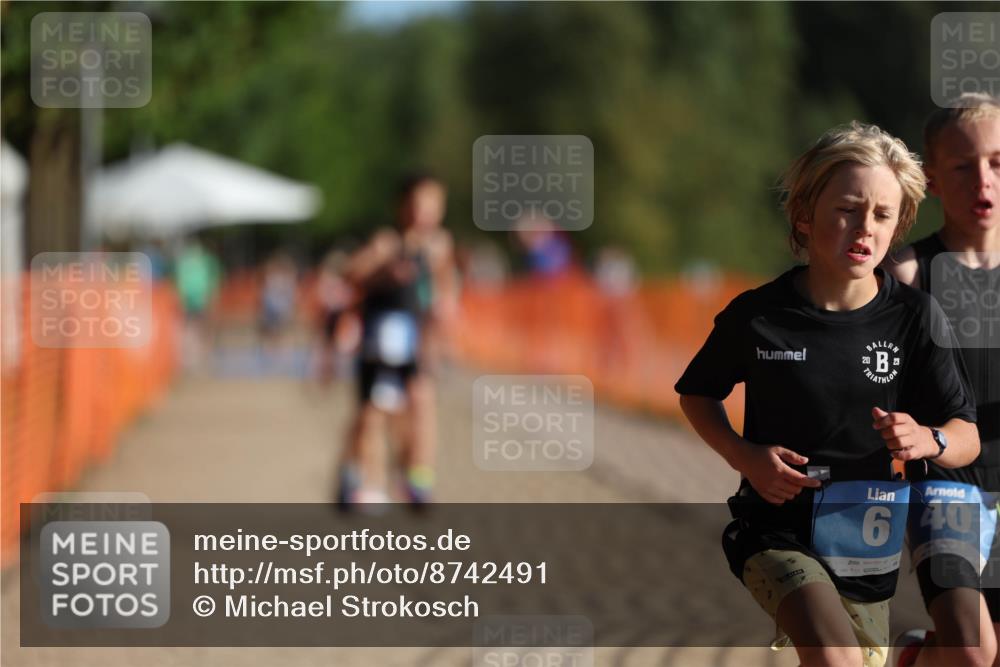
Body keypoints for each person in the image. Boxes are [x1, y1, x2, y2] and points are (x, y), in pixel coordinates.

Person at [675, 121, 980, 667]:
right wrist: (744, 456)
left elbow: (966, 436)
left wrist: (927, 439)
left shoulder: (915, 319)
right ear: (804, 216)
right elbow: (697, 395)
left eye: (883, 215)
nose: (864, 227)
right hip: (775, 531)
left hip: (868, 550)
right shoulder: (759, 316)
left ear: (897, 227)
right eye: (847, 209)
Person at [887, 93, 1000, 667]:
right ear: (932, 179)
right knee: (975, 653)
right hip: (945, 482)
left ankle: (918, 659)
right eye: (963, 165)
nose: (983, 179)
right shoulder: (908, 275)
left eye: (998, 163)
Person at [336, 173, 457, 508]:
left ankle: (418, 478)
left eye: (433, 205)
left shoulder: (439, 245)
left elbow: (444, 294)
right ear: (403, 207)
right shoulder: (386, 242)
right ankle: (360, 478)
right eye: (419, 204)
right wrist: (380, 266)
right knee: (373, 413)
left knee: (421, 405)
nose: (425, 213)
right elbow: (350, 274)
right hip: (380, 341)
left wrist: (443, 328)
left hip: (416, 342)